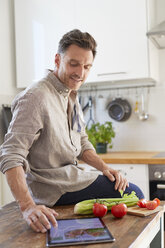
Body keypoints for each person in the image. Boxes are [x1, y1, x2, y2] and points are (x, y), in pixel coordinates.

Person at [0, 29, 144, 233]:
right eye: (73, 64)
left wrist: (105, 167)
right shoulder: (35, 97)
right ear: (58, 60)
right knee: (134, 195)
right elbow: (11, 155)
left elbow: (82, 142)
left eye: (87, 66)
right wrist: (28, 206)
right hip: (52, 188)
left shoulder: (72, 95)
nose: (80, 73)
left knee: (130, 195)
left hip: (71, 177)